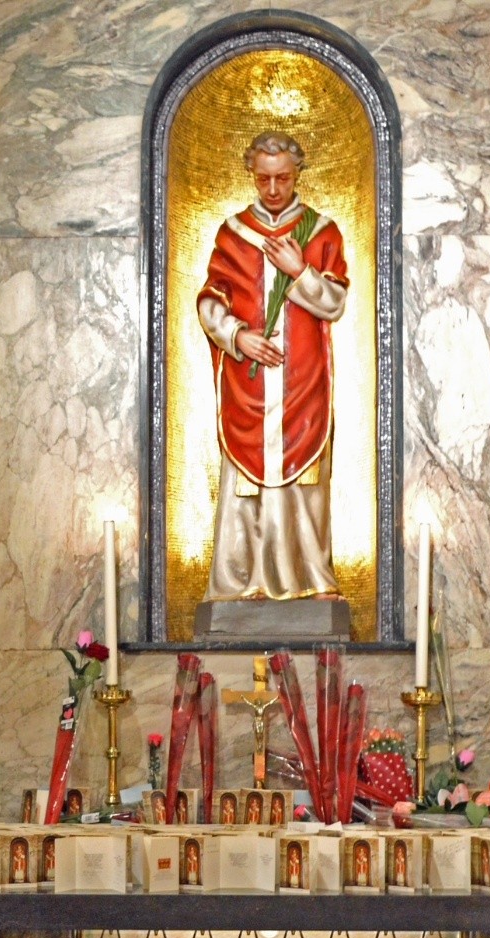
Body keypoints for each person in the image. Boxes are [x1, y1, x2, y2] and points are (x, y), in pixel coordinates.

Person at [197, 131, 349, 601]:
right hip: (250, 389)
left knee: (305, 481)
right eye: (263, 179)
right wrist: (237, 337)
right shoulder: (233, 233)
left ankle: (312, 578)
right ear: (252, 175)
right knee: (245, 485)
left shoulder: (320, 232)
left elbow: (334, 302)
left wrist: (298, 270)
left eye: (282, 178)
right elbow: (210, 301)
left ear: (296, 173)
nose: (273, 189)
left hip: (303, 385)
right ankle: (242, 582)